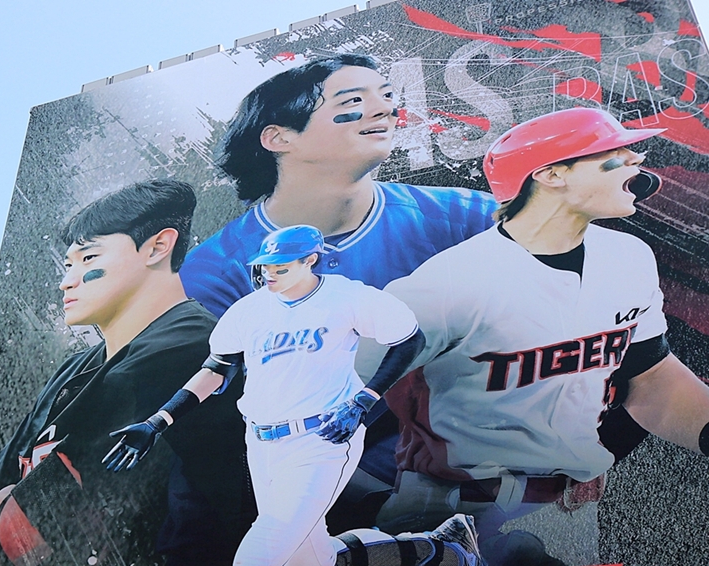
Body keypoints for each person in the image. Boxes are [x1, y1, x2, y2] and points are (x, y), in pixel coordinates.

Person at [375, 107, 709, 566]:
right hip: (446, 514)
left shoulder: (628, 257)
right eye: (614, 152)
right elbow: (333, 403)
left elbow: (649, 378)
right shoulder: (444, 284)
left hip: (567, 510)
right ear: (551, 174)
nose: (637, 159)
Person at [106, 224, 491, 566]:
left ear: (310, 260)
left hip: (322, 441)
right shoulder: (250, 310)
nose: (269, 274)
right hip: (263, 444)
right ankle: (449, 550)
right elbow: (216, 370)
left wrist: (364, 400)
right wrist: (158, 421)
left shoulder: (346, 296)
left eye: (281, 267)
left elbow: (410, 339)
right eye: (264, 266)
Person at [177, 52, 500, 504]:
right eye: (353, 101)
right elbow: (214, 425)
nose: (384, 109)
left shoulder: (467, 217)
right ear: (279, 138)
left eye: (387, 96)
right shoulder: (212, 275)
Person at [0, 179, 250, 566]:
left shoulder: (191, 344)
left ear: (158, 247)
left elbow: (11, 537)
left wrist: (4, 518)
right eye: (68, 264)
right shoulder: (75, 368)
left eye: (89, 259)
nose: (67, 279)